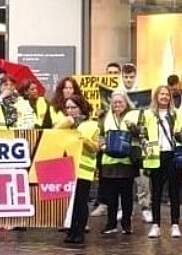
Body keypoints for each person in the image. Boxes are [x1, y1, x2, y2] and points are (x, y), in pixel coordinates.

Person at [139, 85, 182, 239]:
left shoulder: (177, 114)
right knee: (156, 193)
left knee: (174, 192)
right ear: (156, 97)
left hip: (172, 154)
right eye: (161, 94)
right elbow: (142, 134)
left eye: (167, 94)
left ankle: (175, 224)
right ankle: (156, 225)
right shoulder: (148, 114)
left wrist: (180, 135)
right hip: (155, 156)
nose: (164, 97)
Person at [98, 91, 141, 236]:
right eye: (115, 103)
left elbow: (141, 134)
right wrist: (102, 145)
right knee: (111, 196)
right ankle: (111, 224)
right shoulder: (105, 118)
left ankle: (126, 224)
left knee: (127, 196)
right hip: (109, 161)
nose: (117, 105)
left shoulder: (134, 116)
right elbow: (100, 135)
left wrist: (133, 128)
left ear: (126, 103)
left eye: (120, 102)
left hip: (127, 161)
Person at [60, 94, 100, 246]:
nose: (70, 111)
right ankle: (70, 230)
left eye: (73, 107)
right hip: (66, 168)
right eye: (67, 107)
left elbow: (96, 147)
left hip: (83, 169)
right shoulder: (65, 124)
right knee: (70, 202)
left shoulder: (91, 125)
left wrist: (83, 139)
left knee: (80, 201)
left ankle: (79, 231)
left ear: (81, 108)